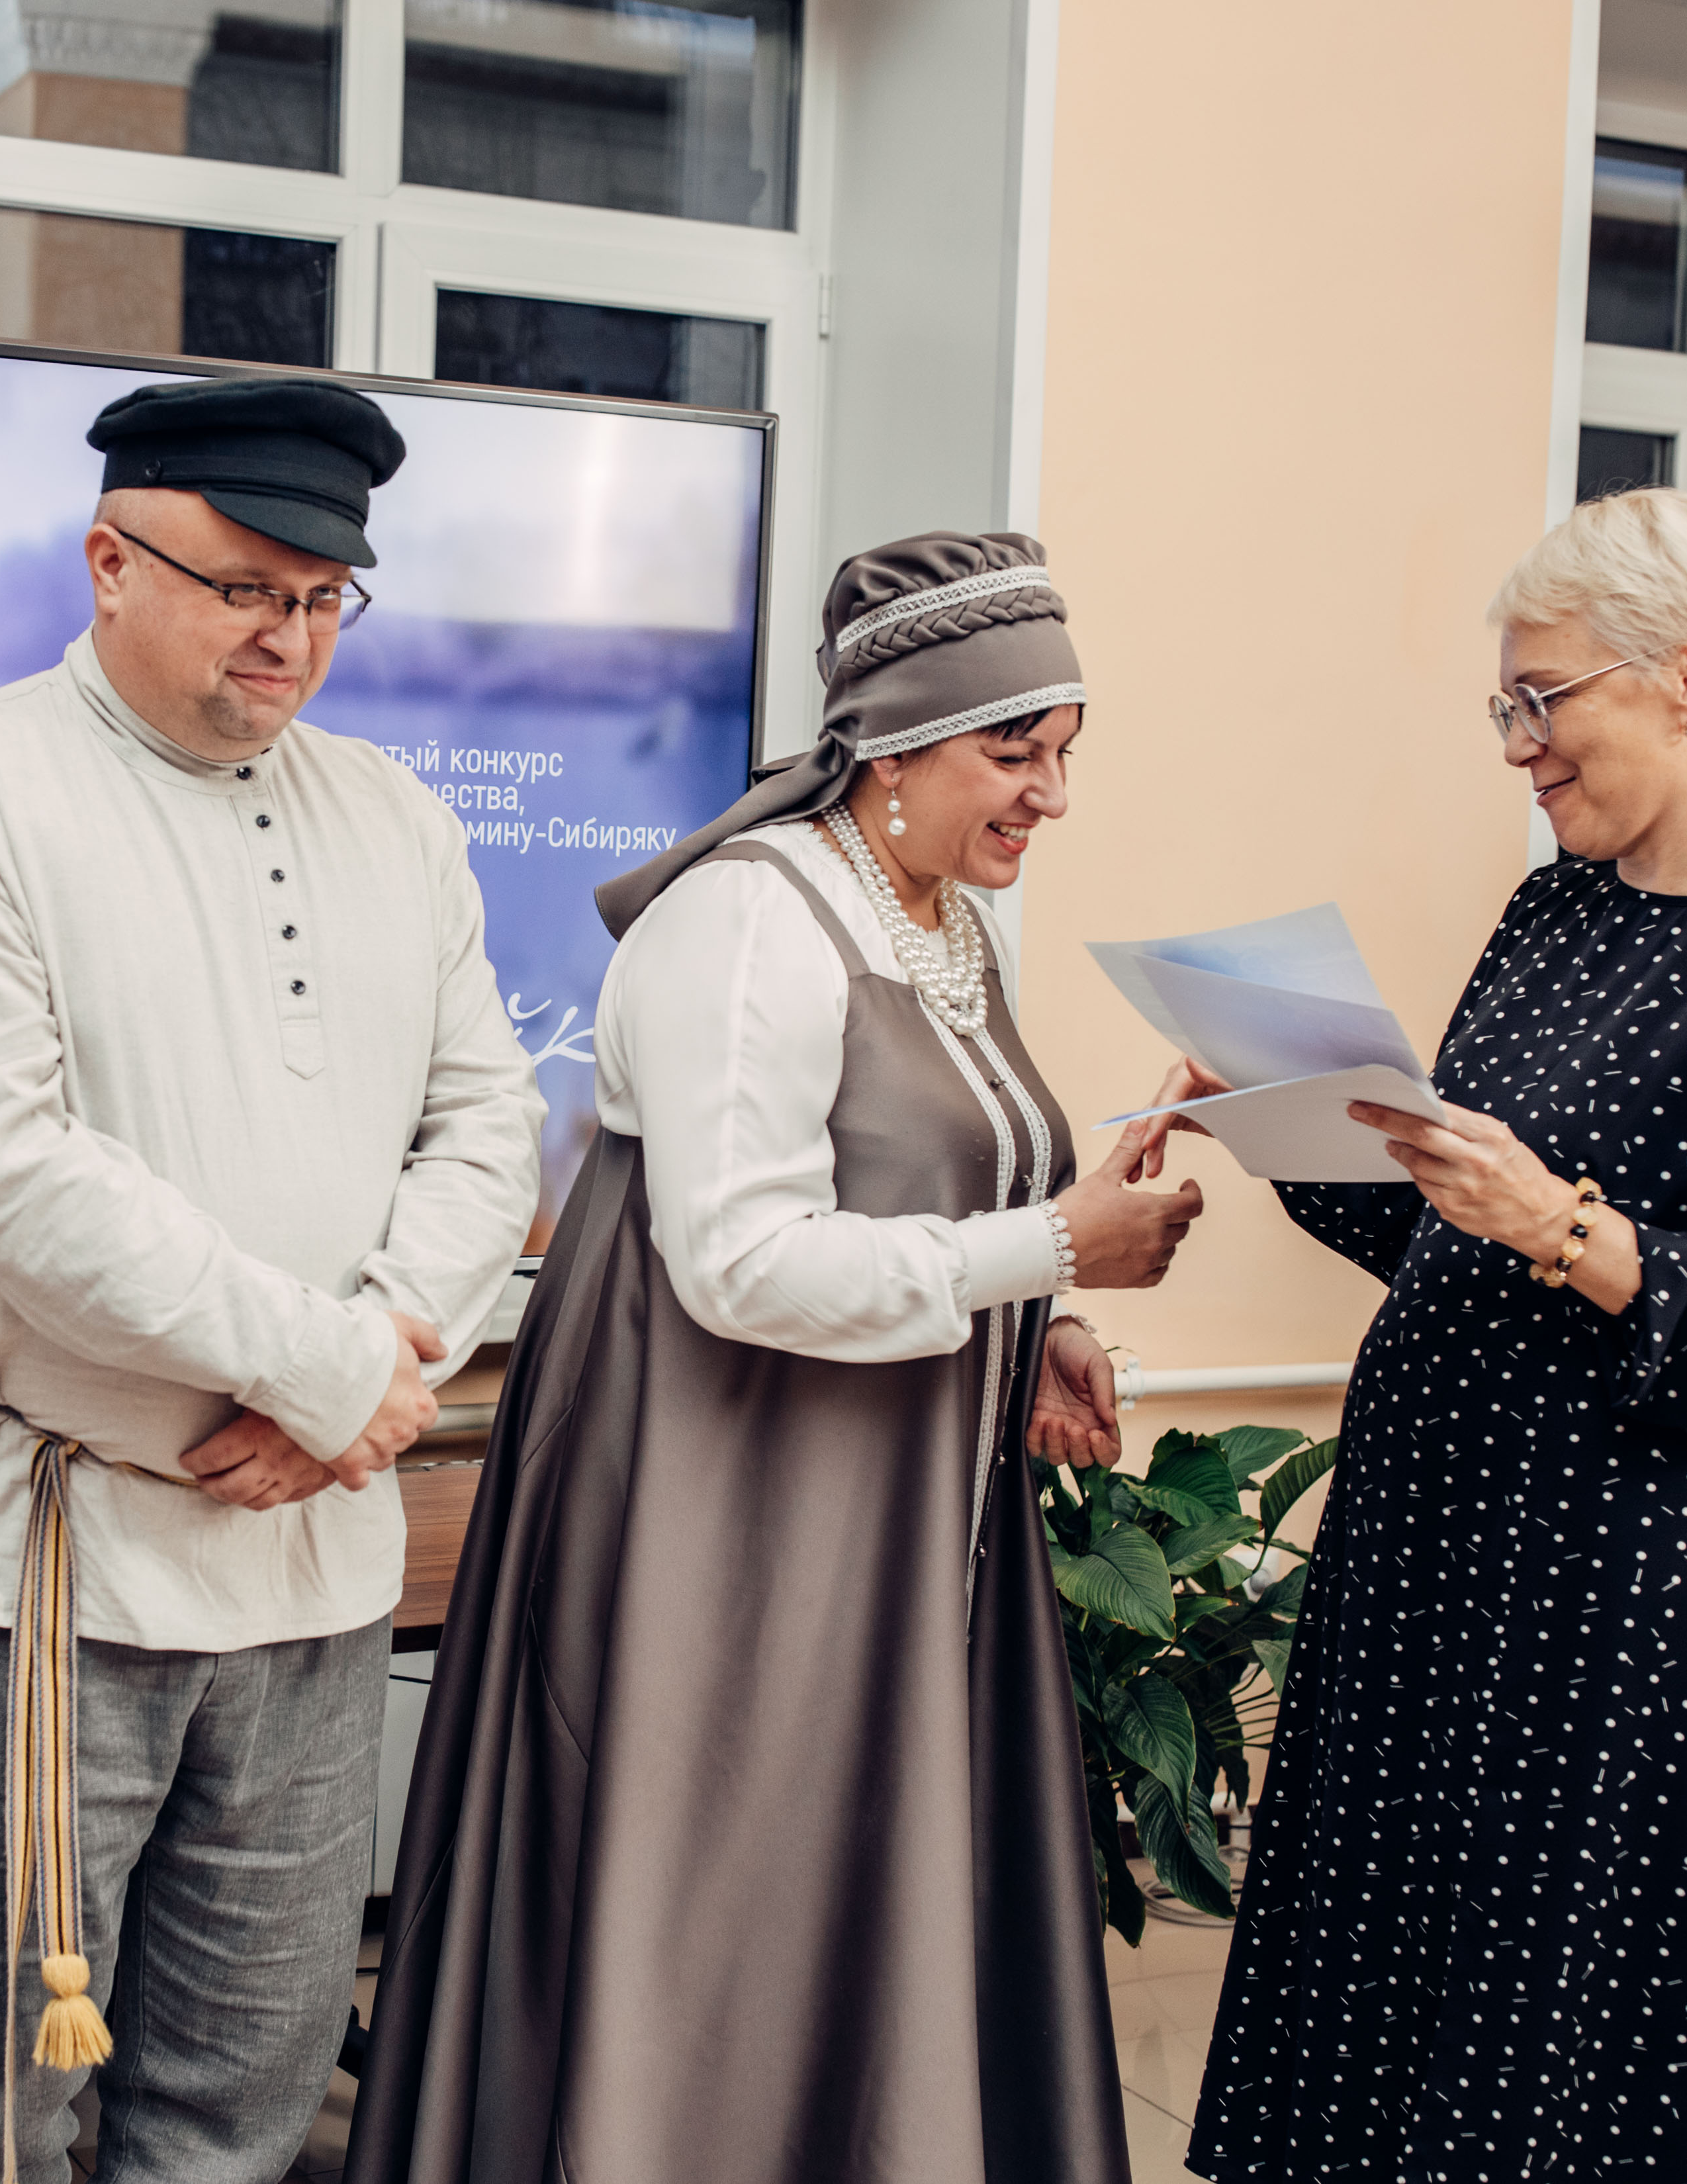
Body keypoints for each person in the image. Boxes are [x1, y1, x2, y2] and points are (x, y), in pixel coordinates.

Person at [349, 533, 1205, 2184]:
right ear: (894, 746)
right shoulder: (750, 923)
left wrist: (1042, 1329)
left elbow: (928, 1193)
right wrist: (1052, 1252)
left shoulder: (941, 919)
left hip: (891, 1514)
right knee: (722, 1900)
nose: (1050, 795)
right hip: (732, 1514)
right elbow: (741, 1265)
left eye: (1064, 752)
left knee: (854, 1887)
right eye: (1012, 753)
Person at [0, 376, 545, 2184]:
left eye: (321, 598)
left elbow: (487, 1119)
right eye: (243, 588)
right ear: (109, 562)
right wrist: (330, 1372)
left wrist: (365, 1362)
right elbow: (15, 1175)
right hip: (50, 1555)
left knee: (246, 2093)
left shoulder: (392, 814)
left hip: (313, 1546)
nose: (287, 636)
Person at [1183, 486, 1687, 2183]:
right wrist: (1283, 1118)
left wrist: (1569, 1230)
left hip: (1605, 1591)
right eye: (1504, 706)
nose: (1519, 746)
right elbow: (1451, 1235)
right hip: (1426, 1537)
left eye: (1544, 700)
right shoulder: (1555, 914)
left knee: (1540, 2027)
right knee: (1382, 1978)